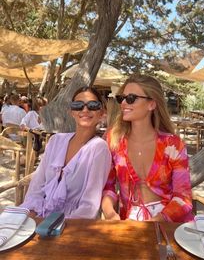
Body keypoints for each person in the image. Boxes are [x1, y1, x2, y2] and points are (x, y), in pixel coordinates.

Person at [102, 74, 193, 222]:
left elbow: (183, 197)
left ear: (151, 104)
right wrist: (110, 213)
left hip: (169, 222)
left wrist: (154, 222)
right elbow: (108, 187)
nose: (123, 103)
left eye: (131, 98)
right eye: (121, 98)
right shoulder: (114, 140)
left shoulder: (173, 145)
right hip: (130, 221)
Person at [20, 86, 111, 219]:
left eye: (92, 105)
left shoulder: (99, 149)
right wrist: (32, 216)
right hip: (37, 217)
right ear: (71, 112)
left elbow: (88, 207)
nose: (85, 110)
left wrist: (51, 226)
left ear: (102, 112)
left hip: (70, 225)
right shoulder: (55, 141)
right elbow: (36, 187)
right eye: (78, 105)